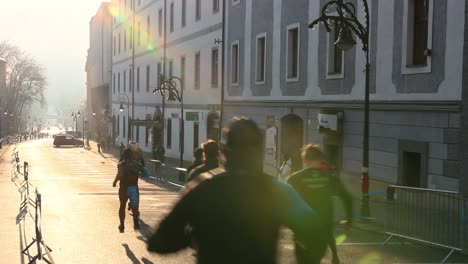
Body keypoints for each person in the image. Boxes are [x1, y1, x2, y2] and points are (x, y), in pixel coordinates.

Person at [147, 117, 322, 264]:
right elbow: (316, 230)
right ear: (259, 153)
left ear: (225, 153)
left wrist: (192, 235)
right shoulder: (278, 190)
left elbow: (158, 243)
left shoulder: (202, 188)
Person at [287, 144, 353, 264]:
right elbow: (347, 198)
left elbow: (283, 202)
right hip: (322, 234)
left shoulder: (295, 178)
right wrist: (349, 220)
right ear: (319, 160)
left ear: (305, 160)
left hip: (302, 234)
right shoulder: (330, 178)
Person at [113, 148, 143, 232]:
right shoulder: (137, 164)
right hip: (133, 187)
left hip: (123, 188)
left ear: (124, 155)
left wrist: (115, 182)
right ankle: (136, 222)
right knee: (135, 207)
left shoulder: (121, 164)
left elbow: (119, 175)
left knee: (122, 206)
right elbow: (146, 173)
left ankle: (122, 225)